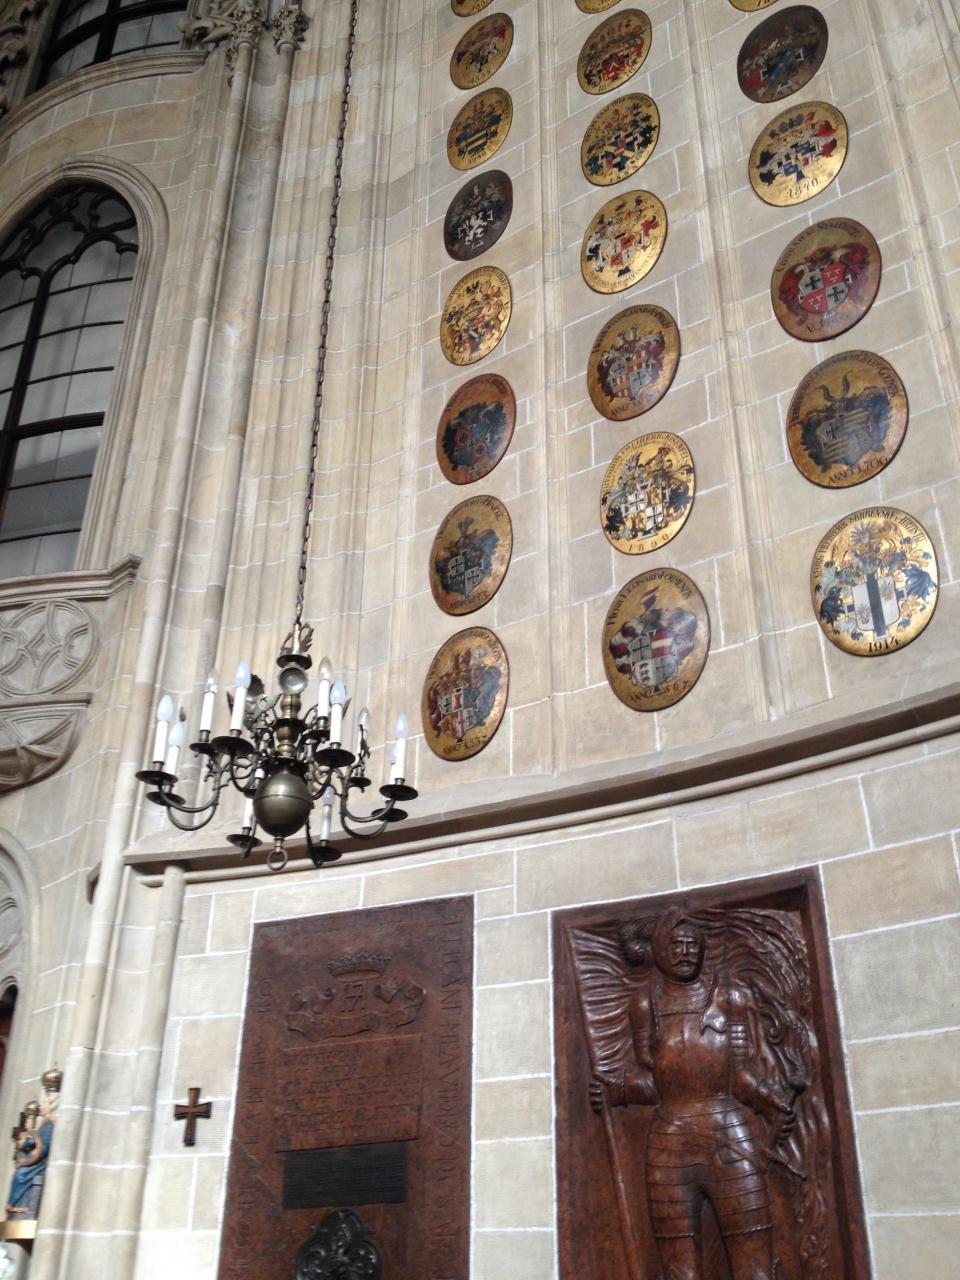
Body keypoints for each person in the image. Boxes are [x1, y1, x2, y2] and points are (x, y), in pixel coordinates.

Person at [590, 909, 794, 1280]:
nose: (685, 952)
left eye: (691, 945)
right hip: (669, 1142)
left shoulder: (729, 996)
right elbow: (657, 1083)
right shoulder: (646, 1004)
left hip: (727, 1134)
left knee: (755, 1265)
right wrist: (617, 1090)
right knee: (679, 1270)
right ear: (658, 950)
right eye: (676, 945)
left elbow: (739, 1074)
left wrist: (767, 1099)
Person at [5, 1092, 53, 1221]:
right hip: (34, 1159)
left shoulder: (49, 1125)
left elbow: (43, 1149)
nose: (41, 1108)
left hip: (39, 1163)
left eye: (44, 1105)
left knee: (20, 1174)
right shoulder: (44, 1124)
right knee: (19, 1172)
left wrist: (27, 1160)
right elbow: (31, 1143)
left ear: (50, 1106)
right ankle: (15, 1205)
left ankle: (17, 1205)